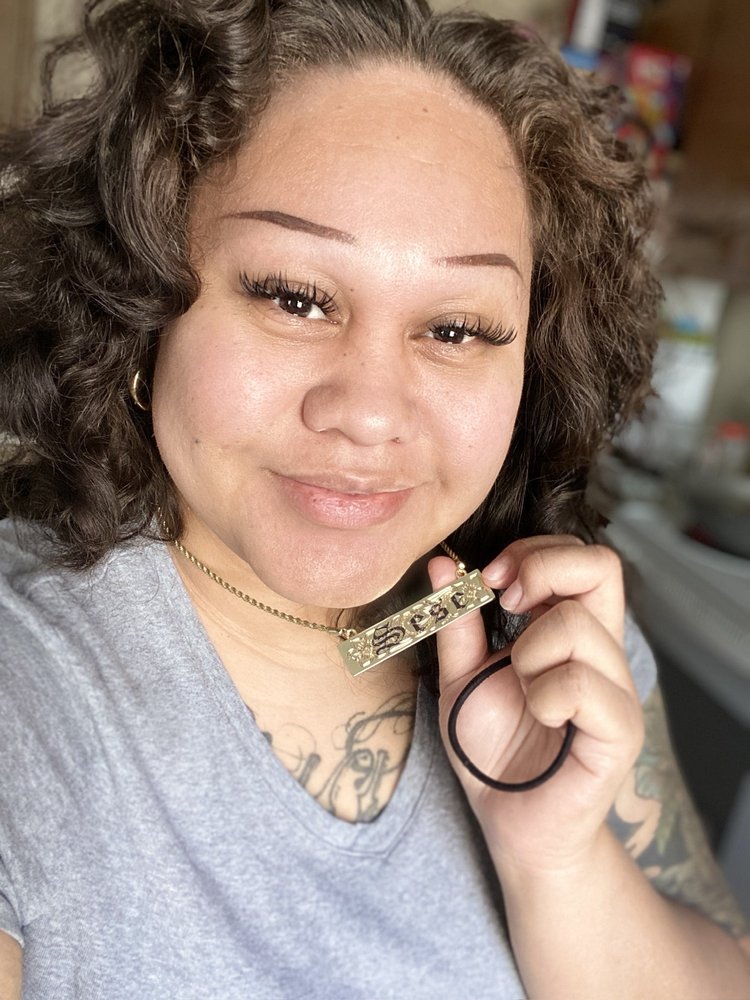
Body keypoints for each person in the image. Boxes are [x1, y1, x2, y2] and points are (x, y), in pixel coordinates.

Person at [0, 0, 748, 996]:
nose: (369, 414)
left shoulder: (550, 635)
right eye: (294, 297)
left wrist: (557, 859)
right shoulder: (30, 687)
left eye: (456, 329)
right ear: (135, 306)